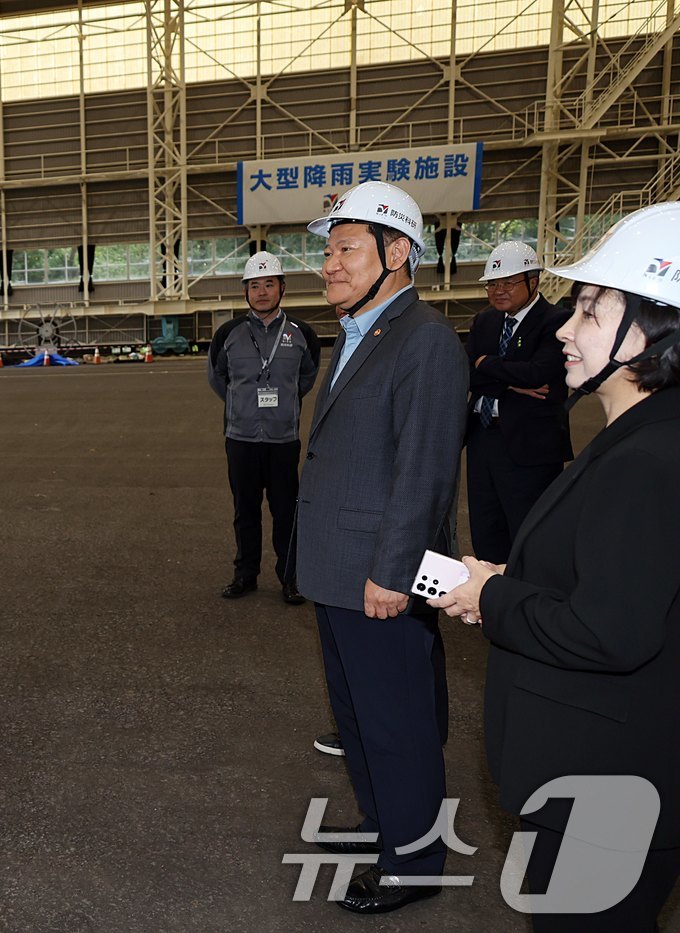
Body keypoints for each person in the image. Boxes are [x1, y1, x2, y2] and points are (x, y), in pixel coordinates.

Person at [432, 202, 680, 931]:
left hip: (609, 790)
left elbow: (611, 631)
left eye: (593, 311)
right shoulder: (638, 437)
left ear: (656, 331)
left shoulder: (649, 460)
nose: (566, 331)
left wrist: (496, 594)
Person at [294, 181, 469, 914]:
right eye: (328, 251)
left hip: (379, 577)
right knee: (360, 716)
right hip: (339, 570)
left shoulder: (423, 340)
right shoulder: (356, 332)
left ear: (398, 253)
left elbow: (423, 471)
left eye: (344, 249)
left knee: (396, 722)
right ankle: (385, 827)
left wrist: (392, 574)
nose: (328, 264)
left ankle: (415, 860)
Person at [208, 251, 320, 604]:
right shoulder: (228, 333)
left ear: (281, 288)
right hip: (240, 439)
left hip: (283, 440)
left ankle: (291, 578)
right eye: (254, 285)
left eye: (268, 284)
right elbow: (218, 379)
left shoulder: (303, 334)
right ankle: (245, 575)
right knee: (245, 511)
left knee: (286, 511)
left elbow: (306, 379)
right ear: (245, 292)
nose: (261, 291)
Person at [465, 241, 572, 563]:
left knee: (528, 532)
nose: (498, 290)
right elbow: (465, 372)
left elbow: (539, 372)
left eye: (508, 282)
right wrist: (511, 382)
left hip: (530, 446)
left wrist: (487, 365)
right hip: (482, 439)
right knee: (486, 528)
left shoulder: (556, 320)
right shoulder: (485, 321)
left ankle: (525, 603)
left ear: (533, 280)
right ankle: (489, 601)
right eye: (492, 284)